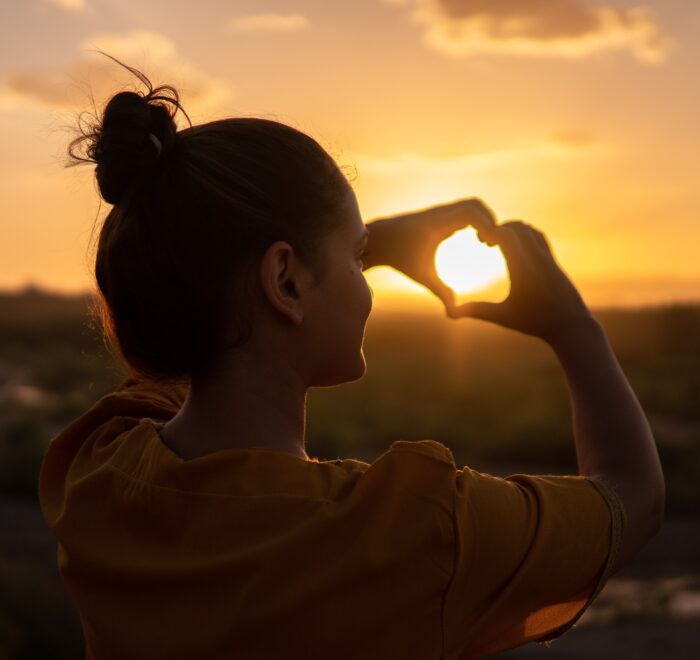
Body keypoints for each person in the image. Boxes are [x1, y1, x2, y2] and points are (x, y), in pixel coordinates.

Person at [38, 55, 665, 660]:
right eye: (357, 257)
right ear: (284, 282)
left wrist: (344, 247)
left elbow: (197, 325)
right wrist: (574, 327)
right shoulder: (413, 532)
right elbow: (632, 495)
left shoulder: (97, 471)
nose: (365, 279)